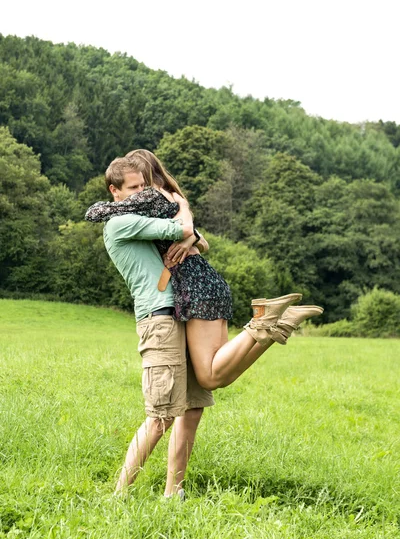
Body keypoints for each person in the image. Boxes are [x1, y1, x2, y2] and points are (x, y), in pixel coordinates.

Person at [87, 152, 323, 497]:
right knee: (172, 411)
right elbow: (189, 232)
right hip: (168, 311)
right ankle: (130, 494)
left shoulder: (146, 207)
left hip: (178, 308)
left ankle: (158, 493)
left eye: (143, 185)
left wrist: (185, 225)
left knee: (181, 408)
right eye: (134, 188)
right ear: (115, 190)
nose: (141, 194)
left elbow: (192, 235)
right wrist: (185, 217)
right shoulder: (126, 220)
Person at [86, 150, 323, 391]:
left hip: (193, 286)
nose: (139, 190)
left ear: (140, 172)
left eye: (139, 182)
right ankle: (277, 324)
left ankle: (263, 321)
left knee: (209, 377)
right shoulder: (171, 198)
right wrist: (190, 229)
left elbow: (97, 213)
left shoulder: (150, 200)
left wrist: (184, 223)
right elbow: (203, 242)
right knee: (218, 377)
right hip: (207, 280)